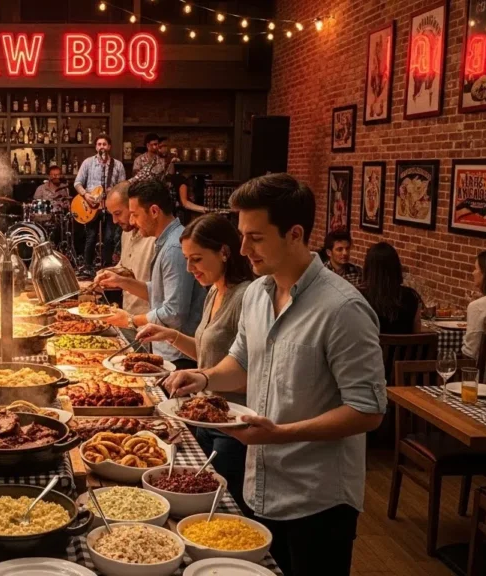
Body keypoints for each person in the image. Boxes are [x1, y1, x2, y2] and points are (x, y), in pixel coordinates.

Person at [162, 173, 386, 576]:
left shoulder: (342, 309)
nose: (243, 248)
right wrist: (205, 378)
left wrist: (280, 434)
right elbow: (241, 363)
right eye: (242, 235)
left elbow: (368, 411)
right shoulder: (257, 295)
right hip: (260, 483)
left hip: (317, 499)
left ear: (295, 234)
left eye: (256, 237)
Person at [134, 214, 255, 512]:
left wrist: (201, 376)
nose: (190, 268)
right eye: (187, 259)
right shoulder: (213, 290)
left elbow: (249, 370)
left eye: (197, 259)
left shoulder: (246, 296)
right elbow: (207, 353)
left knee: (222, 510)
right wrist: (173, 336)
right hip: (201, 416)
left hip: (231, 427)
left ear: (225, 252)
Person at [95, 180, 205, 369]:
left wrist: (130, 320)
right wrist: (120, 281)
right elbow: (157, 291)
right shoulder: (165, 242)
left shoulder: (173, 247)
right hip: (166, 349)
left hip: (180, 355)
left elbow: (174, 312)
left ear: (154, 211)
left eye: (135, 215)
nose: (132, 221)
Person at [98, 181, 154, 316]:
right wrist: (107, 273)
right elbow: (125, 267)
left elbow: (164, 296)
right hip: (127, 315)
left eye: (118, 213)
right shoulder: (126, 233)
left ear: (133, 206)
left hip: (148, 322)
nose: (115, 221)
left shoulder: (155, 238)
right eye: (111, 214)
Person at [74, 135, 126, 273]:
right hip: (91, 205)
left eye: (104, 144)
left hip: (110, 206)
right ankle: (88, 266)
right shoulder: (88, 163)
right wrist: (86, 195)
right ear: (96, 147)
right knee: (91, 236)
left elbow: (122, 187)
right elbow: (77, 183)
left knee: (109, 237)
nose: (101, 146)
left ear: (109, 147)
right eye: (99, 144)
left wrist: (113, 192)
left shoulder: (118, 165)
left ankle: (107, 266)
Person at [361, 242, 422, 334]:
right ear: (396, 267)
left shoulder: (361, 297)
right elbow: (417, 334)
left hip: (372, 348)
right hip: (406, 348)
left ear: (368, 268)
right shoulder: (412, 297)